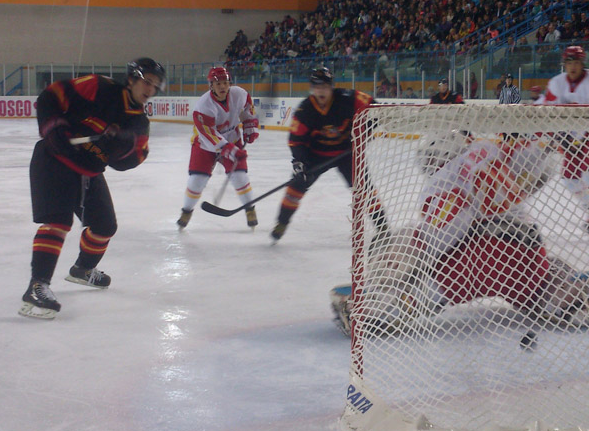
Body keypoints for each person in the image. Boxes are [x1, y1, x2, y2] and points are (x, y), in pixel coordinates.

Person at [330, 134, 589, 336]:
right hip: (528, 252)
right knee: (537, 287)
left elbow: (446, 232)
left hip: (479, 260)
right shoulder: (490, 150)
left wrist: (417, 266)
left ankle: (380, 307)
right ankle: (568, 293)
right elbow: (541, 166)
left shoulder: (445, 178)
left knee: (410, 243)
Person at [19, 58, 166, 319]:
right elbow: (51, 97)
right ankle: (37, 286)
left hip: (88, 172)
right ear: (131, 79)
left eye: (155, 86)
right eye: (146, 82)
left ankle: (82, 270)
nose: (150, 89)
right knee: (58, 222)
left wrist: (124, 150)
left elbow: (136, 158)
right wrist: (55, 128)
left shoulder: (139, 122)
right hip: (54, 159)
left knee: (105, 227)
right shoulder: (100, 87)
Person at [271, 67, 386, 242]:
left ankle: (383, 227)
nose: (321, 91)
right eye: (317, 87)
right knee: (296, 187)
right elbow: (296, 140)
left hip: (346, 154)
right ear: (312, 88)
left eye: (324, 86)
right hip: (315, 155)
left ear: (331, 87)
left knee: (364, 188)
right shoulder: (305, 110)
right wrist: (300, 162)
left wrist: (367, 129)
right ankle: (282, 222)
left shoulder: (348, 98)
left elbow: (377, 108)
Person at [534, 46, 589, 237]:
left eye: (576, 62)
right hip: (570, 140)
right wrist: (553, 134)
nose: (572, 66)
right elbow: (546, 109)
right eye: (569, 62)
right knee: (570, 179)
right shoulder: (557, 83)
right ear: (564, 64)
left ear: (582, 64)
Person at [176, 66, 260, 230]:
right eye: (218, 83)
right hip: (205, 144)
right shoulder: (203, 106)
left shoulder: (240, 95)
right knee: (196, 181)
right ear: (211, 86)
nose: (222, 86)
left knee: (240, 176)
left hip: (232, 138)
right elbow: (210, 135)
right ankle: (186, 211)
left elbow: (248, 111)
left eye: (225, 83)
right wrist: (231, 151)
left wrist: (250, 127)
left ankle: (250, 210)